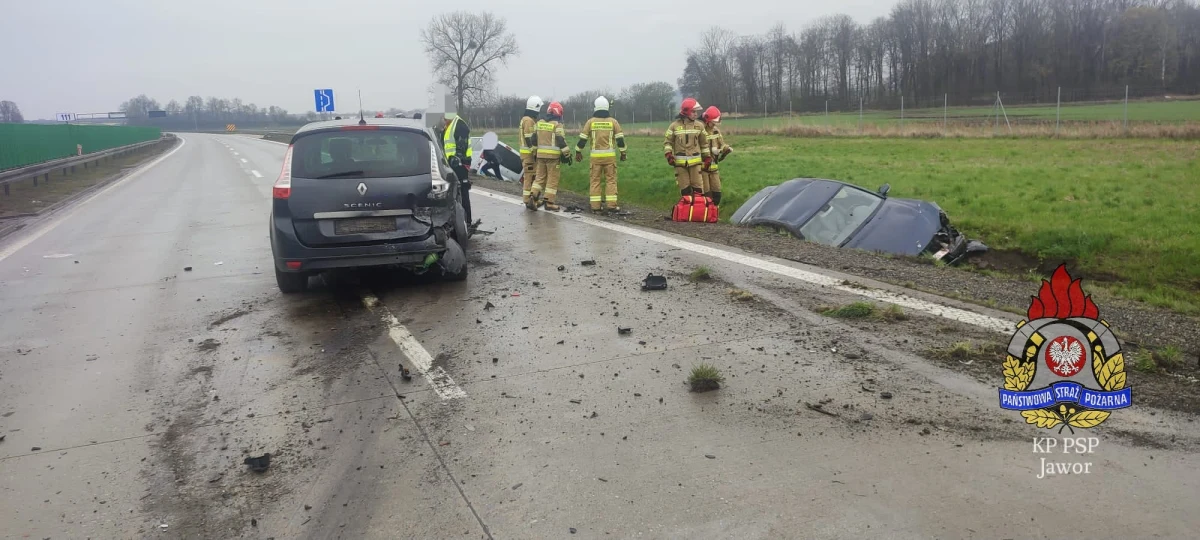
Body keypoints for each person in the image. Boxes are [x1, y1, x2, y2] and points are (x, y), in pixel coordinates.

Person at [574, 95, 627, 213]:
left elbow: (582, 139)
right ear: (607, 107)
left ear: (596, 108)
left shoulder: (590, 122)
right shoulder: (613, 122)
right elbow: (620, 140)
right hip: (610, 158)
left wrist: (578, 151)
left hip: (595, 159)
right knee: (611, 180)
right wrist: (623, 153)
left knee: (595, 181)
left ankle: (595, 207)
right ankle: (612, 206)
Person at [528, 101, 570, 211]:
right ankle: (549, 203)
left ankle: (532, 197)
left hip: (540, 156)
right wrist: (567, 154)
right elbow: (561, 140)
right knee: (552, 179)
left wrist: (535, 152)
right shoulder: (557, 124)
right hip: (553, 158)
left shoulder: (539, 123)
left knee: (539, 178)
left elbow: (533, 139)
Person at [663, 97, 711, 197]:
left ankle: (697, 211)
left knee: (698, 190)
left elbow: (704, 144)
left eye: (696, 112)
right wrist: (668, 154)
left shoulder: (700, 126)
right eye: (693, 111)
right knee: (685, 191)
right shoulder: (673, 126)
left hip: (696, 164)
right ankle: (686, 211)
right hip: (680, 165)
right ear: (686, 112)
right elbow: (668, 142)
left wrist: (707, 157)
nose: (696, 114)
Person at [442, 112, 473, 222]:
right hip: (451, 164)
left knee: (462, 192)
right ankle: (456, 220)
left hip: (460, 165)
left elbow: (461, 146)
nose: (443, 120)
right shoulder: (448, 126)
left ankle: (467, 221)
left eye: (445, 118)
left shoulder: (459, 125)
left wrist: (457, 159)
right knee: (453, 192)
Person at [701, 106, 732, 207]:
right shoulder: (700, 131)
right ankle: (706, 214)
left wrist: (725, 149)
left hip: (714, 167)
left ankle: (714, 213)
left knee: (717, 193)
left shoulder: (716, 131)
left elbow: (721, 143)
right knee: (706, 193)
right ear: (707, 120)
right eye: (713, 122)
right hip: (702, 168)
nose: (714, 124)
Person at [519, 95, 544, 206]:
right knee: (530, 177)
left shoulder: (525, 119)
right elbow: (529, 139)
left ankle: (530, 199)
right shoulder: (529, 121)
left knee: (531, 176)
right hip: (529, 155)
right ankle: (527, 199)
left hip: (526, 154)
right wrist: (535, 152)